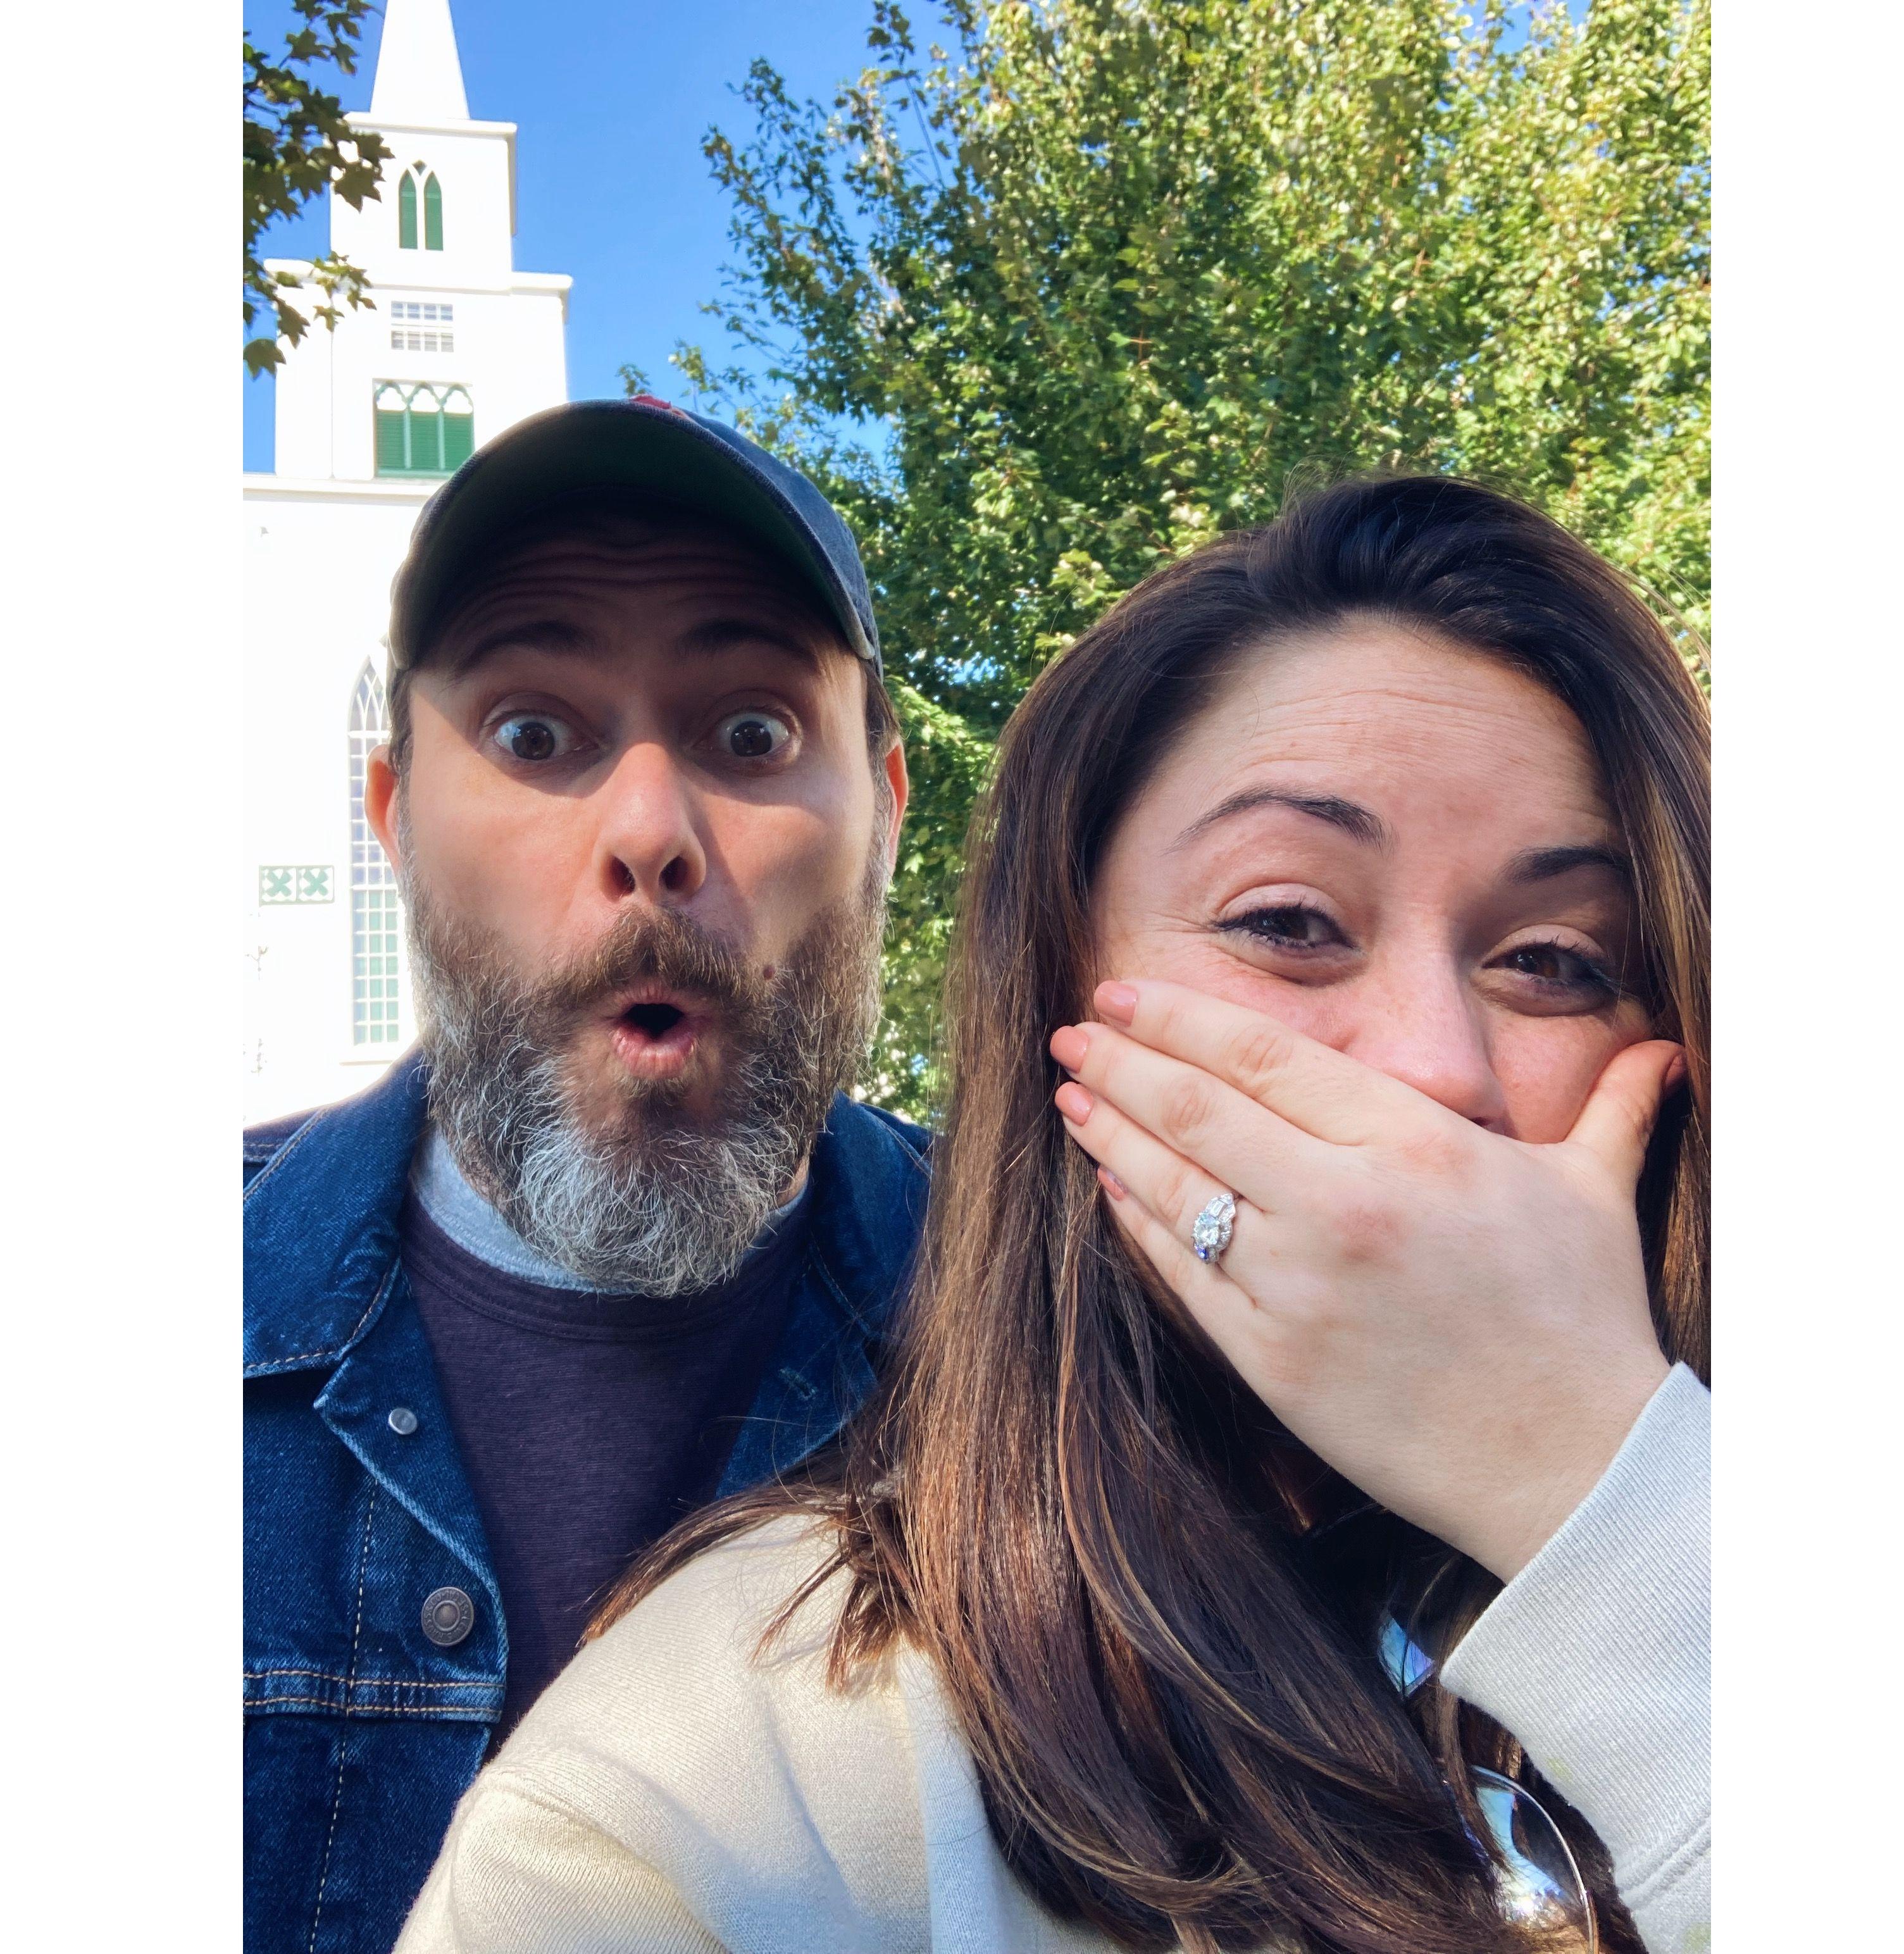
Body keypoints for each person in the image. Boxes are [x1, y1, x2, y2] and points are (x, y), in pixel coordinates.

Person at [397, 475, 1710, 1954]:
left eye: (1549, 958)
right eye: (1284, 919)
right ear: (1048, 996)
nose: (1430, 1068)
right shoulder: (694, 1800)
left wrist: (1606, 1496)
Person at [243, 396, 927, 1954]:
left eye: (751, 732)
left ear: (882, 809)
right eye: (532, 733)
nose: (647, 830)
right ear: (395, 815)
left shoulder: (1086, 1332)